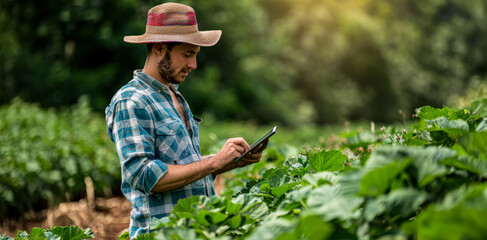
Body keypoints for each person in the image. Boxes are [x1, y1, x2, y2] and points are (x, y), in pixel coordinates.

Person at [105, 2, 268, 237]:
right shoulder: (132, 100)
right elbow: (143, 175)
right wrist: (213, 163)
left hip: (194, 230)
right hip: (161, 233)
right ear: (159, 48)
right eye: (187, 54)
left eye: (195, 55)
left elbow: (183, 165)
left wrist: (228, 160)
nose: (194, 65)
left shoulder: (175, 96)